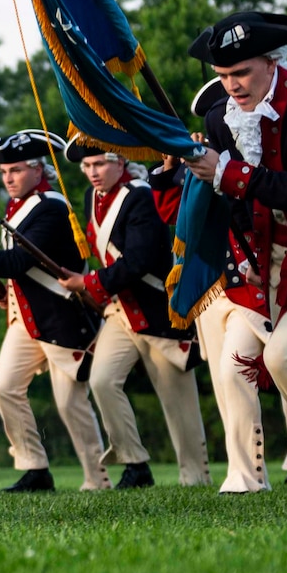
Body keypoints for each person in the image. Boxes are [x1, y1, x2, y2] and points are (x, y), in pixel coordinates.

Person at [184, 10, 287, 511]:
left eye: (241, 72)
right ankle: (257, 475)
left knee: (286, 358)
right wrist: (193, 174)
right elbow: (234, 203)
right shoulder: (217, 119)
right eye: (222, 76)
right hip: (266, 263)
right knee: (234, 364)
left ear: (272, 61)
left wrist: (226, 172)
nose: (231, 86)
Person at [0, 131, 110, 492]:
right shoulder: (21, 207)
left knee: (69, 402)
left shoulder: (50, 207)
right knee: (5, 387)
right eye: (2, 172)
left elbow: (17, 261)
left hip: (60, 316)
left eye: (14, 170)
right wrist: (6, 291)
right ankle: (35, 468)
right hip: (26, 317)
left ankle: (98, 478)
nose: (7, 178)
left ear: (37, 169)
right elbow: (22, 270)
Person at [152, 79, 287, 493]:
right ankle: (246, 475)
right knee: (230, 375)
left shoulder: (264, 160)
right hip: (225, 286)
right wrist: (173, 169)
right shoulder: (209, 163)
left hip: (271, 278)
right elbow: (179, 214)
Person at [57, 140, 211, 489]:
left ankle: (196, 477)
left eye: (99, 163)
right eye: (87, 166)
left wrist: (89, 282)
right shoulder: (90, 198)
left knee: (177, 402)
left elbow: (139, 260)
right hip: (121, 309)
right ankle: (134, 463)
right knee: (101, 381)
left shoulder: (140, 196)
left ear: (120, 162)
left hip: (157, 307)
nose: (92, 172)